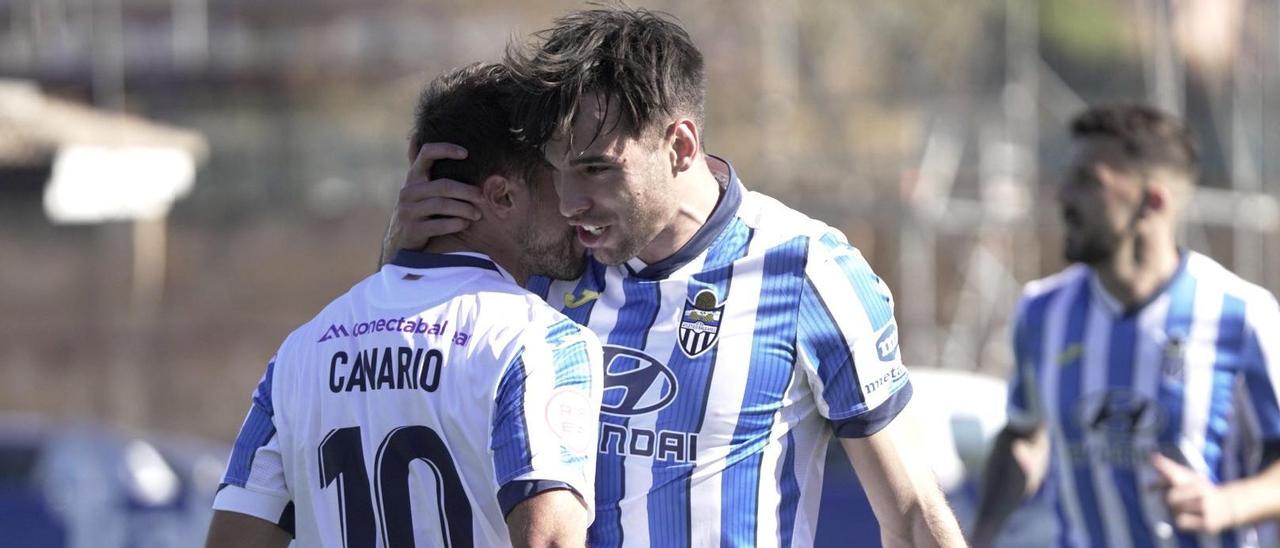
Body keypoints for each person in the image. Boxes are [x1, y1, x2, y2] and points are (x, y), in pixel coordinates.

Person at [389, 7, 966, 547]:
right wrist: (400, 263)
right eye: (558, 170)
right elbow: (400, 394)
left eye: (595, 169)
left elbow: (913, 510)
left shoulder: (810, 269)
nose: (569, 202)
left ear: (681, 145)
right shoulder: (548, 268)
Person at [205, 63, 604, 548]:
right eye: (558, 180)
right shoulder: (542, 341)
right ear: (502, 195)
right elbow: (550, 542)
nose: (578, 204)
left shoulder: (299, 352)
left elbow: (231, 540)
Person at [971, 104, 1280, 547]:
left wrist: (1228, 503)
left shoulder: (1241, 314)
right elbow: (1022, 435)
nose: (1063, 197)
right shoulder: (1042, 312)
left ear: (1151, 202)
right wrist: (978, 537)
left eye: (1087, 182)